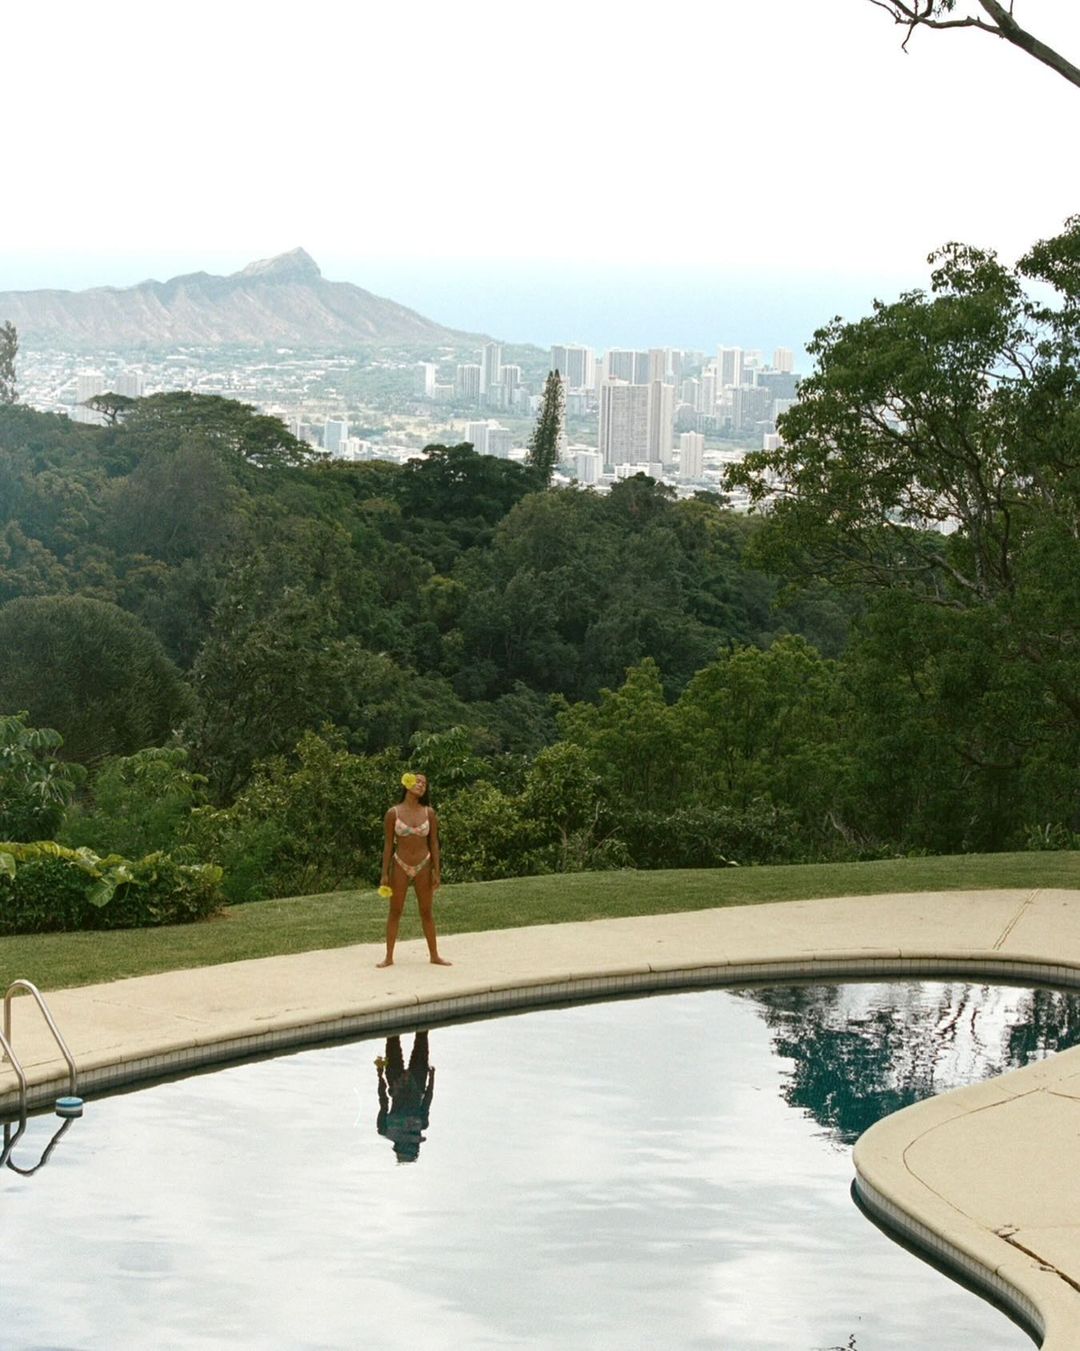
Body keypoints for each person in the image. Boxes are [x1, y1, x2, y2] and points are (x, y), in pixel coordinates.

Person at [378, 770, 451, 967]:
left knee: (426, 912)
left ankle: (434, 955)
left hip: (423, 864)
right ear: (407, 783)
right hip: (400, 864)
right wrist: (384, 873)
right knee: (395, 911)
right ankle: (388, 957)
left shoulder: (429, 813)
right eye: (418, 781)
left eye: (424, 784)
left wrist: (437, 870)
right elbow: (388, 845)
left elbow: (434, 843)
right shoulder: (393, 813)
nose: (421, 785)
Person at [374, 1032, 435, 1163]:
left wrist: (432, 1078)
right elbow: (383, 1100)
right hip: (402, 1083)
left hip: (409, 1083)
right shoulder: (385, 1129)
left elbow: (427, 1099)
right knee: (394, 1039)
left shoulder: (421, 1125)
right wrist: (380, 1075)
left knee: (413, 1038)